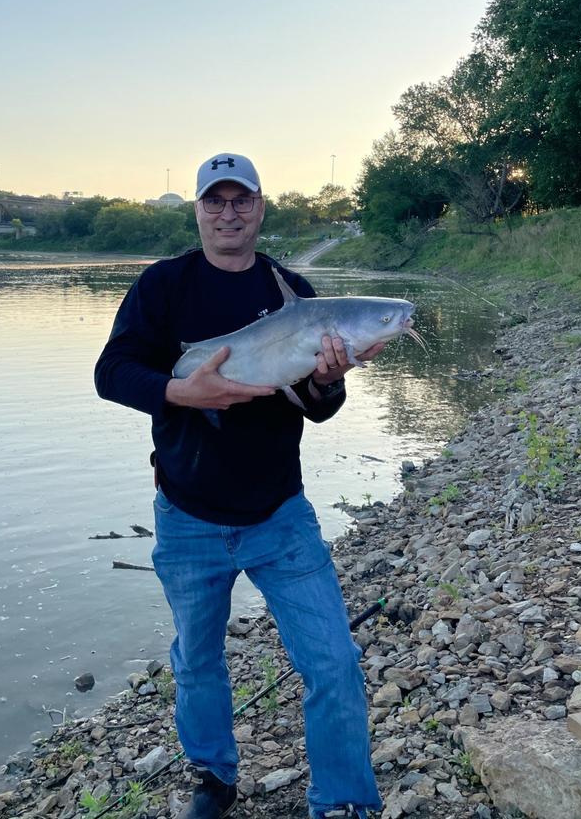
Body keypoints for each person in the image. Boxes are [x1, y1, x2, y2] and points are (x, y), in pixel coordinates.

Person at [95, 154, 383, 819]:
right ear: (198, 209)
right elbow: (112, 372)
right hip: (188, 514)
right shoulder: (162, 287)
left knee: (334, 662)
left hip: (280, 514)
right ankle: (213, 777)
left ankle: (342, 802)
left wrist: (329, 379)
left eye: (240, 200)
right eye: (214, 201)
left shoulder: (297, 291)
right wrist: (179, 392)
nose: (228, 213)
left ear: (260, 207)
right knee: (197, 662)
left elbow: (316, 408)